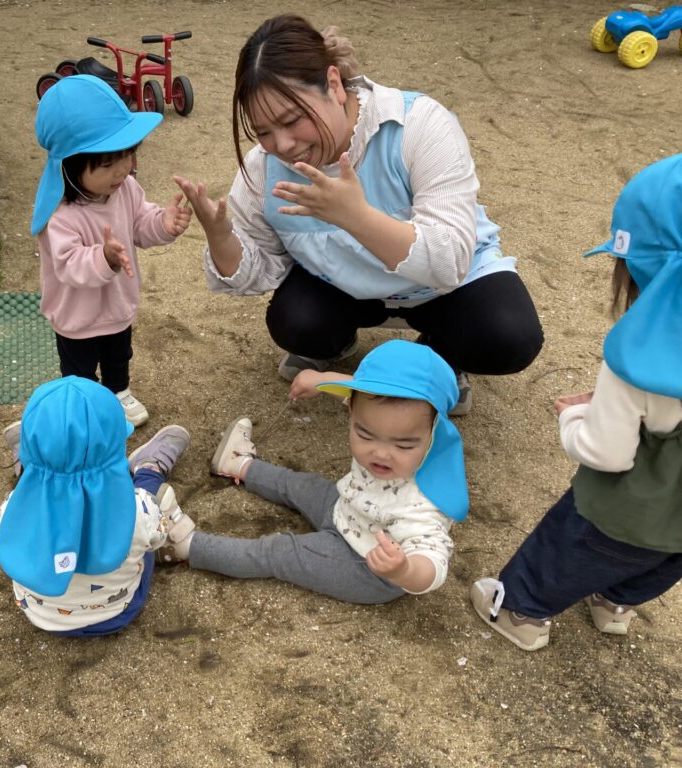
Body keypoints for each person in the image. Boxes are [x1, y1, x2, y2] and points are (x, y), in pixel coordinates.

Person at [173, 14, 543, 415]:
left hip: (443, 290)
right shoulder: (263, 168)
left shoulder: (418, 124)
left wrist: (356, 217)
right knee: (295, 323)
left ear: (334, 84)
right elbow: (260, 268)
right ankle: (339, 343)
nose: (282, 145)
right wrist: (221, 237)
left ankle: (437, 360)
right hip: (345, 287)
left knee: (508, 336)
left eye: (292, 120)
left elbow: (449, 260)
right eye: (263, 132)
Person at [471, 154, 682, 651]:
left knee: (568, 549)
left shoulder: (634, 364)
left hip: (624, 509)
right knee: (663, 559)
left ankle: (521, 612)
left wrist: (576, 416)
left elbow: (607, 453)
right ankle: (615, 605)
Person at [158, 340, 468, 604]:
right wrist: (319, 380)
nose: (381, 453)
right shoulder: (378, 411)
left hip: (363, 563)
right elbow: (361, 390)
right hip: (345, 508)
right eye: (365, 434)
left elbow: (433, 563)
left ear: (435, 435)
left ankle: (184, 546)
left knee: (278, 552)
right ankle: (237, 464)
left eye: (403, 444)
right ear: (351, 411)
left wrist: (403, 570)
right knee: (301, 484)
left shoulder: (423, 502)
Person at [31, 75, 192, 427]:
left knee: (119, 354)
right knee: (79, 370)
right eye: (107, 163)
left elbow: (141, 223)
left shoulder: (125, 189)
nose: (122, 169)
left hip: (117, 303)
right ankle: (86, 405)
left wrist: (163, 223)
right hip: (76, 315)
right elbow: (69, 265)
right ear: (70, 165)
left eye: (127, 154)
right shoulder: (60, 215)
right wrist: (103, 257)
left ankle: (119, 391)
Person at [0, 376, 191, 636]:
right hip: (117, 613)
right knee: (150, 500)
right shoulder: (138, 514)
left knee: (31, 490)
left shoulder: (10, 512)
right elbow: (156, 538)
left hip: (36, 612)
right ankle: (149, 468)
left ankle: (33, 463)